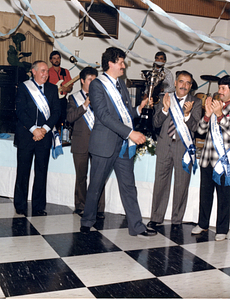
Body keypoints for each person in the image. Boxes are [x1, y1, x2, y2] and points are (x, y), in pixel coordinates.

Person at [80, 47, 156, 236]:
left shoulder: (121, 84)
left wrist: (139, 108)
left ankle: (137, 226)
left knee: (129, 187)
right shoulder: (98, 85)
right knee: (96, 185)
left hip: (122, 146)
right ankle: (87, 221)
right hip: (104, 144)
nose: (124, 65)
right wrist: (131, 133)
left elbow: (126, 115)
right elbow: (104, 116)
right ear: (111, 63)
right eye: (121, 62)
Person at [147, 70, 202, 231]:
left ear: (191, 86)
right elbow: (156, 123)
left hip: (183, 148)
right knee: (160, 184)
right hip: (164, 145)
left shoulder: (196, 102)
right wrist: (164, 109)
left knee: (181, 184)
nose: (184, 85)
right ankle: (156, 217)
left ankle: (177, 220)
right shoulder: (166, 97)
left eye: (188, 83)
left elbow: (197, 127)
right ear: (176, 83)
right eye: (181, 82)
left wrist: (187, 115)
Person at [13, 60, 61, 216]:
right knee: (23, 171)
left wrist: (44, 130)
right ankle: (20, 205)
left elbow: (56, 112)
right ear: (33, 72)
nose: (45, 74)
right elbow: (20, 111)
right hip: (26, 136)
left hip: (44, 137)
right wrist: (34, 130)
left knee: (41, 172)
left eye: (46, 71)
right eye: (42, 71)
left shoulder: (53, 89)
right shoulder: (24, 87)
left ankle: (38, 206)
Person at [192, 75, 230, 241]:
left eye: (223, 88)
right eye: (219, 87)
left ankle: (222, 229)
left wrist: (220, 115)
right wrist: (207, 115)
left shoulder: (222, 110)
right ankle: (203, 223)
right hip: (207, 158)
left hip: (223, 161)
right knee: (205, 193)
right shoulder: (215, 105)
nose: (219, 91)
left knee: (224, 196)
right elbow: (200, 131)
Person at [66, 66, 105, 218]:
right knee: (81, 176)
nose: (93, 82)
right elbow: (69, 118)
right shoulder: (73, 98)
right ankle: (80, 205)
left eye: (95, 80)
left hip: (99, 142)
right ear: (82, 80)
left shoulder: (102, 97)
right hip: (80, 142)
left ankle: (98, 208)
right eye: (90, 80)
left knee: (98, 176)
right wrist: (84, 105)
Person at [48, 50, 73, 130]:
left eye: (58, 58)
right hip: (52, 101)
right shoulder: (47, 72)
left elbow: (70, 87)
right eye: (54, 58)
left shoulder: (65, 71)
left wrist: (67, 88)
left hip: (63, 101)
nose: (56, 60)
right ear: (51, 60)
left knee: (63, 121)